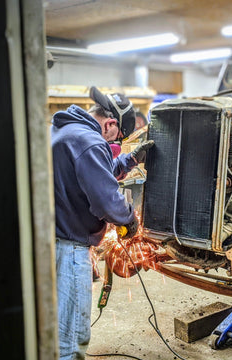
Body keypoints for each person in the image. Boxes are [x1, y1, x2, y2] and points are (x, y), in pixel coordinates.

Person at [50, 86, 154, 360]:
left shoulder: (64, 130)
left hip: (51, 240)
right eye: (117, 138)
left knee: (58, 327)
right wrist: (128, 219)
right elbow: (106, 201)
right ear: (110, 124)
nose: (112, 143)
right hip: (70, 248)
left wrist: (128, 160)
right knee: (72, 338)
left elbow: (92, 172)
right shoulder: (89, 142)